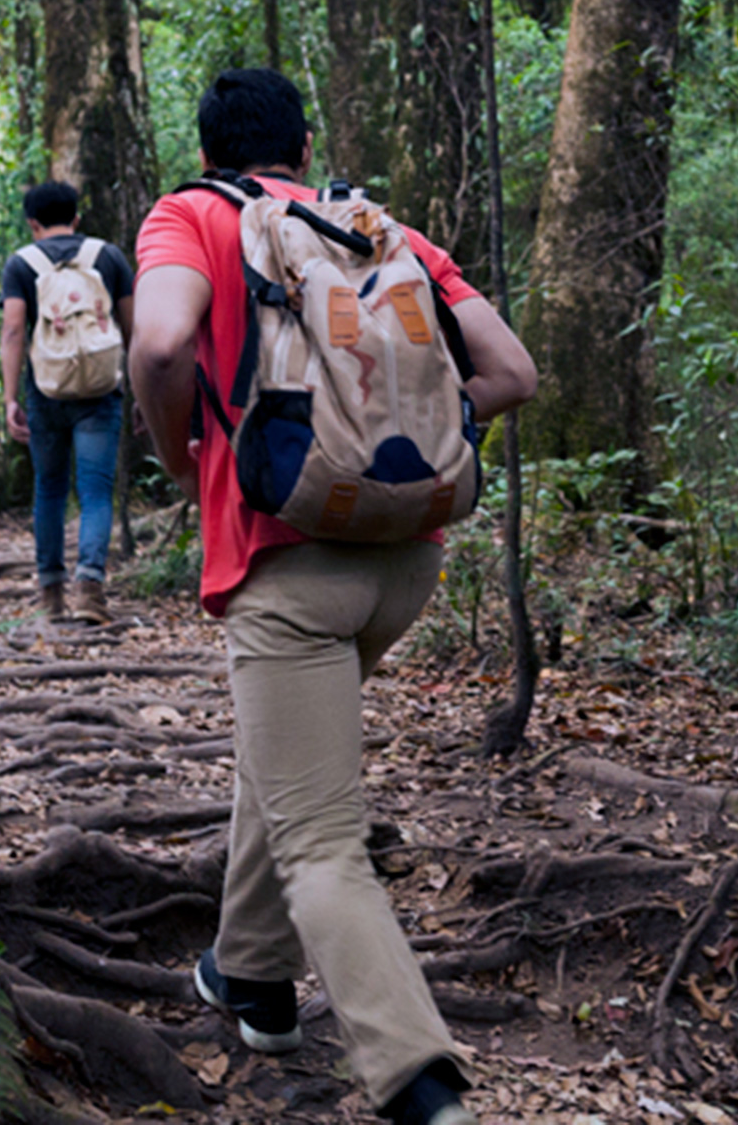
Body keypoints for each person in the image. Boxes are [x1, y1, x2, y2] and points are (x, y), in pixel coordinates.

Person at [130, 69, 537, 1125]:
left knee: (320, 838)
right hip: (404, 561)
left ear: (208, 145)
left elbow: (163, 341)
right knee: (289, 766)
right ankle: (251, 975)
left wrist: (183, 453)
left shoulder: (188, 217)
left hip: (285, 564)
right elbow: (510, 371)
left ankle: (420, 1078)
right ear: (304, 147)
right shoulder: (375, 230)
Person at [0, 180, 136, 623]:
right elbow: (133, 329)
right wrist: (140, 391)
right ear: (77, 218)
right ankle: (91, 591)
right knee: (96, 491)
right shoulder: (109, 257)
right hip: (101, 391)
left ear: (33, 224)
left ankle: (51, 596)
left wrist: (9, 398)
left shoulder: (22, 263)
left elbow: (14, 332)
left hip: (46, 391)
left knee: (50, 489)